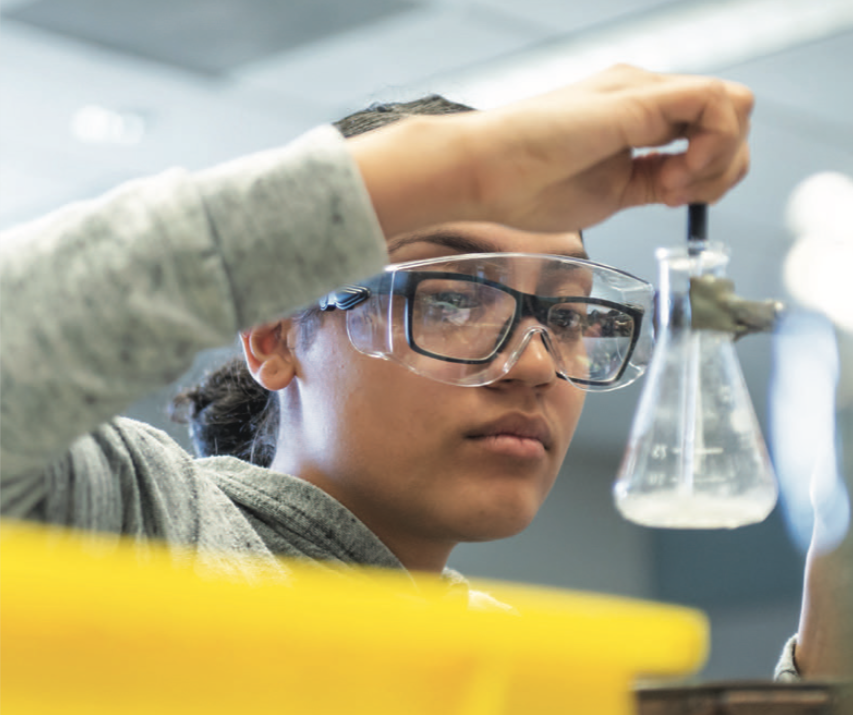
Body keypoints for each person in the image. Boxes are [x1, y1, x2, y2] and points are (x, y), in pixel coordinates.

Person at [2, 65, 830, 677]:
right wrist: (461, 166)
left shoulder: (518, 665)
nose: (537, 361)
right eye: (452, 296)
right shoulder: (144, 533)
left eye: (572, 312)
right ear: (275, 336)